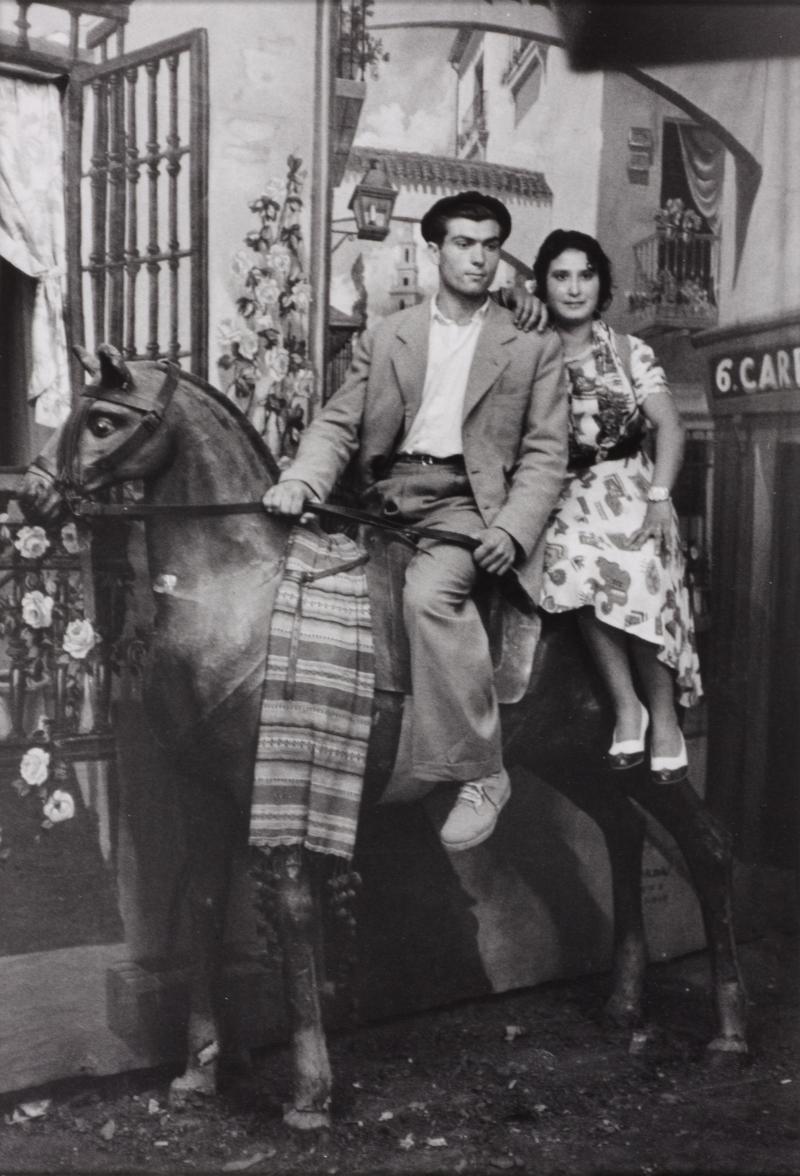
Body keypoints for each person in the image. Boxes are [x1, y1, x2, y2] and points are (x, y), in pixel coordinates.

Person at [262, 191, 567, 851]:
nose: (478, 257)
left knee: (430, 597)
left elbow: (546, 455)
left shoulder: (529, 344)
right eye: (463, 242)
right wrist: (300, 479)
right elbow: (340, 423)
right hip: (387, 498)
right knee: (313, 595)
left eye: (490, 245)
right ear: (434, 250)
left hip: (467, 503)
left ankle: (482, 770)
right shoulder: (388, 334)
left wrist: (511, 530)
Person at [533, 228, 702, 783]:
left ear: (601, 283)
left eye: (585, 275)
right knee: (572, 562)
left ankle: (663, 717)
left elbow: (670, 426)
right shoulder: (530, 351)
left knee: (639, 565)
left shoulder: (629, 351)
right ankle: (625, 704)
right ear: (545, 284)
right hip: (564, 490)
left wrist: (659, 498)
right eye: (561, 276)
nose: (574, 287)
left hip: (632, 485)